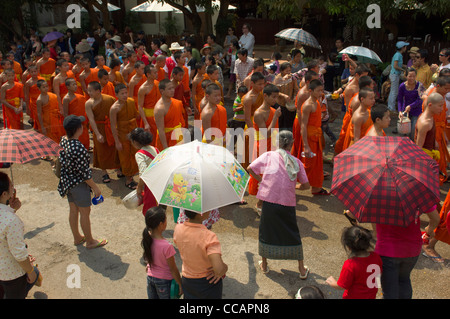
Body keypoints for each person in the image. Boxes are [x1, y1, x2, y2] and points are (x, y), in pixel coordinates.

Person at [247, 130, 310, 278]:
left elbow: (250, 168)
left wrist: (262, 180)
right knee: (292, 233)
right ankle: (301, 269)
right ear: (292, 144)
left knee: (266, 231)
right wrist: (295, 186)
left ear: (277, 143)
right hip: (287, 202)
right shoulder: (297, 162)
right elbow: (306, 186)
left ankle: (264, 265)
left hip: (268, 200)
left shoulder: (269, 155)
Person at [58, 115, 108, 250]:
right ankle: (90, 241)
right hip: (79, 184)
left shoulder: (64, 140)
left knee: (73, 210)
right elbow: (84, 174)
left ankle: (77, 237)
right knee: (85, 212)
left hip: (68, 182)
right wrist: (96, 188)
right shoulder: (78, 147)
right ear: (78, 129)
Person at [375, 200, 440, 299]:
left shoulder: (378, 195)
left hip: (387, 249)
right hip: (411, 248)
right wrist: (429, 230)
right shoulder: (416, 192)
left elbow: (374, 227)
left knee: (389, 287)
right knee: (404, 279)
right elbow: (435, 218)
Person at [0, 172, 42, 299]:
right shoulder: (11, 221)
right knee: (34, 273)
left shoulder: (9, 218)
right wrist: (30, 271)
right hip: (10, 274)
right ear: (4, 194)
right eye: (11, 186)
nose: (13, 187)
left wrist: (13, 210)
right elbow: (19, 254)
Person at [173, 209, 228, 299]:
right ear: (200, 214)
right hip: (207, 282)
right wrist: (224, 268)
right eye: (207, 207)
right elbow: (219, 269)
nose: (210, 209)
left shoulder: (178, 229)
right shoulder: (209, 236)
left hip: (187, 280)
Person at [248, 84, 282, 213]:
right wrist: (274, 118)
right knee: (264, 175)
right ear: (265, 96)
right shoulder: (259, 113)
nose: (275, 100)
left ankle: (266, 201)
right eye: (273, 97)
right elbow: (265, 134)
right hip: (262, 147)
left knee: (272, 174)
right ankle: (259, 204)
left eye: (276, 97)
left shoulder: (273, 110)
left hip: (273, 145)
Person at [326, 226, 382, 299]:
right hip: (371, 296)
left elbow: (342, 286)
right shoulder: (376, 257)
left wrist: (332, 282)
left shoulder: (350, 264)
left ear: (349, 247)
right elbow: (378, 279)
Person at [142, 206, 182, 299]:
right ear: (161, 224)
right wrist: (180, 283)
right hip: (164, 281)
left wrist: (148, 266)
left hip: (150, 278)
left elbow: (149, 256)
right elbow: (173, 269)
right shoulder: (167, 246)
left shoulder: (147, 238)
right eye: (166, 219)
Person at [85, 82, 120, 183]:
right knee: (101, 151)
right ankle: (104, 173)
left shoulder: (109, 99)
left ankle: (117, 168)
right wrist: (97, 133)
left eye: (91, 90)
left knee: (114, 149)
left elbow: (116, 113)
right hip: (98, 128)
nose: (89, 92)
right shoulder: (89, 103)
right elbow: (91, 119)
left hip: (110, 127)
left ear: (98, 91)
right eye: (88, 90)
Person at [301, 79, 329, 195]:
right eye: (318, 91)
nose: (320, 93)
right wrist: (305, 145)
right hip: (310, 138)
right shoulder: (307, 105)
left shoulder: (317, 102)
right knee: (308, 164)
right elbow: (303, 125)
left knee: (318, 163)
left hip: (316, 136)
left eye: (322, 91)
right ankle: (293, 183)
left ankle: (316, 187)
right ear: (310, 91)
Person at [110, 83, 139, 189]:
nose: (125, 95)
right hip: (122, 134)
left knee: (133, 154)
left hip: (133, 132)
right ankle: (128, 180)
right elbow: (113, 126)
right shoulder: (114, 108)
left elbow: (136, 115)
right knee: (125, 156)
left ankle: (128, 174)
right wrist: (117, 141)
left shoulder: (131, 102)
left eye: (126, 92)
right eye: (122, 93)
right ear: (116, 94)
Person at [129, 128, 159, 216]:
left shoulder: (140, 154)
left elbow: (143, 173)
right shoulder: (154, 148)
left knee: (150, 212)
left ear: (134, 141)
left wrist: (139, 188)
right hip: (160, 182)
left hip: (151, 185)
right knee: (159, 209)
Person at [154, 79, 185, 150]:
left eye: (173, 88)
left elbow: (181, 122)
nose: (172, 90)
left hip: (178, 135)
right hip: (166, 139)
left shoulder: (177, 103)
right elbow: (161, 130)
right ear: (162, 91)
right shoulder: (159, 108)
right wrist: (165, 148)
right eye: (169, 89)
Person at [397, 68, 426, 140]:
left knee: (413, 130)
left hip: (417, 110)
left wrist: (411, 106)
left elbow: (420, 99)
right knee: (404, 130)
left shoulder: (419, 85)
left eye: (414, 76)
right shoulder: (402, 86)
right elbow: (400, 99)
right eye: (410, 76)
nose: (412, 78)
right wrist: (400, 111)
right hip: (406, 111)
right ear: (406, 76)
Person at [62, 78, 90, 150]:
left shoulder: (80, 96)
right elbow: (65, 114)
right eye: (73, 84)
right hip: (74, 123)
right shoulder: (66, 99)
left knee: (85, 139)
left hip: (82, 122)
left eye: (76, 84)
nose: (75, 86)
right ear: (68, 87)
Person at [138, 64, 161, 143]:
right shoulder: (143, 89)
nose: (156, 74)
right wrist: (145, 123)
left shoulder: (158, 84)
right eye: (154, 73)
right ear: (148, 74)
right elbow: (140, 107)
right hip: (149, 118)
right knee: (151, 141)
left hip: (159, 115)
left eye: (156, 72)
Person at [387, 41, 408, 112]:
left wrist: (405, 66)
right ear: (402, 48)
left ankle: (390, 107)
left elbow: (398, 64)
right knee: (394, 92)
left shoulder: (398, 55)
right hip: (395, 74)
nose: (406, 48)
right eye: (405, 47)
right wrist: (402, 69)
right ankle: (391, 108)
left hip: (394, 74)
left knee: (393, 91)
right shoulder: (398, 55)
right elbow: (395, 66)